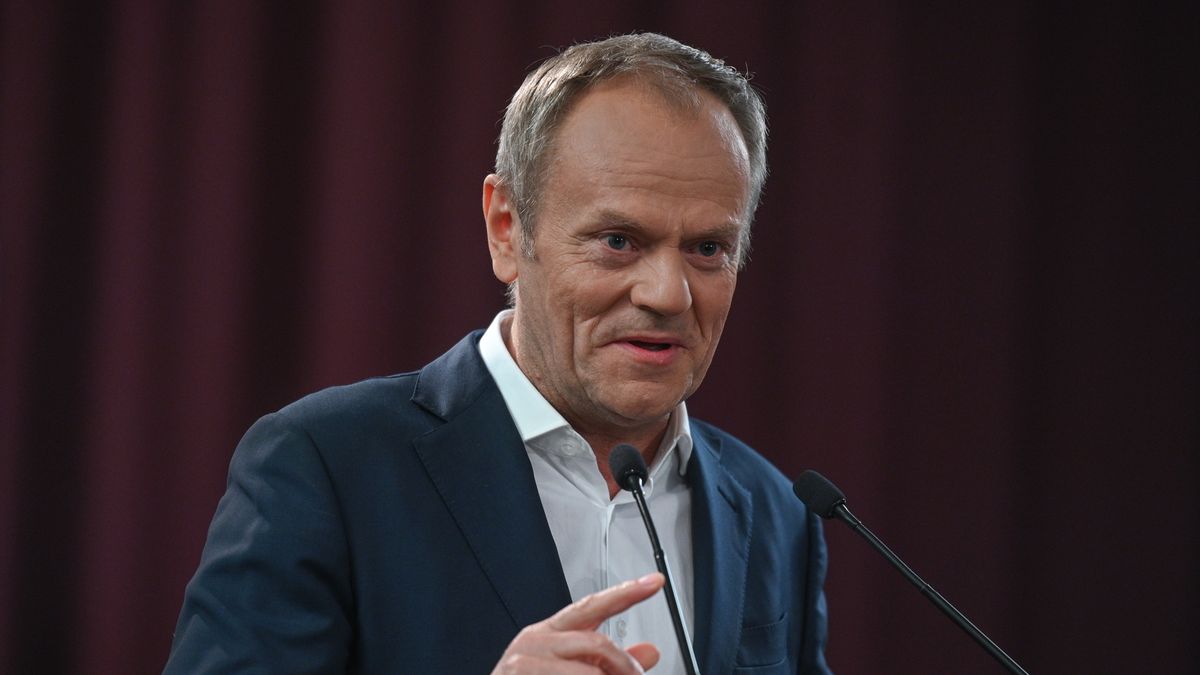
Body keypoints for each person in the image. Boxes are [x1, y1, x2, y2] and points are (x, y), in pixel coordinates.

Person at [165, 33, 831, 674]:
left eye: (708, 248)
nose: (668, 293)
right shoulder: (326, 467)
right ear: (506, 227)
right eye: (619, 240)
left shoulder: (779, 516)